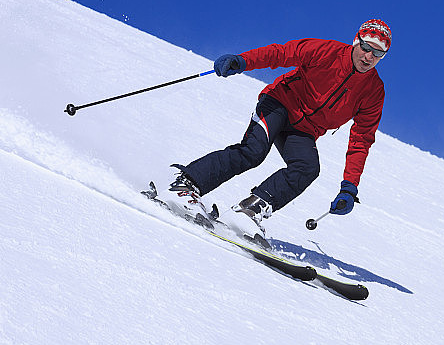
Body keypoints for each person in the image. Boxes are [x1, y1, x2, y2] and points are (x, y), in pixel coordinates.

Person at [163, 19, 391, 240]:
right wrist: (242, 61)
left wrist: (349, 187)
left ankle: (248, 211)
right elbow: (281, 53)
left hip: (304, 130)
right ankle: (185, 185)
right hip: (279, 103)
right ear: (356, 41)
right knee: (253, 151)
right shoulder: (326, 51)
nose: (369, 56)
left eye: (378, 53)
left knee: (307, 168)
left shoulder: (373, 91)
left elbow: (361, 139)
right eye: (366, 47)